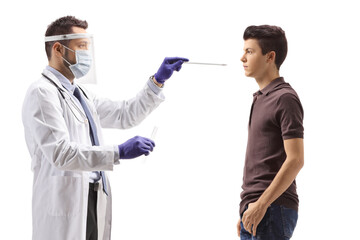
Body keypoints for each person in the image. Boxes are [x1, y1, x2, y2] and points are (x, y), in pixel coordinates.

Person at [22, 16, 188, 240]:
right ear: (59, 49)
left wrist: (157, 81)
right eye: (81, 47)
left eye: (88, 47)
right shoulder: (42, 92)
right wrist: (118, 152)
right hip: (63, 204)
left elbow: (124, 115)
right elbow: (60, 153)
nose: (86, 54)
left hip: (91, 198)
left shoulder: (81, 95)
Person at [236, 25, 304, 240]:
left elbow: (296, 160)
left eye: (249, 51)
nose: (242, 58)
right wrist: (249, 207)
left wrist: (262, 204)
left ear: (270, 56)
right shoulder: (261, 97)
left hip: (272, 208)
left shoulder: (284, 98)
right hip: (256, 207)